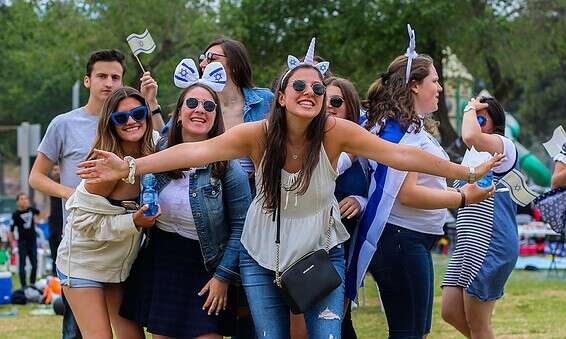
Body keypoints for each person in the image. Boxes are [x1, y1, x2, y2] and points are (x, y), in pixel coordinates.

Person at [77, 38, 500, 338]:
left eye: (317, 88)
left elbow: (402, 156)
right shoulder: (257, 134)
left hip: (320, 252)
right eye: (299, 86)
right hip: (262, 256)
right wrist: (131, 164)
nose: (310, 92)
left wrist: (462, 176)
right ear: (280, 96)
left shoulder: (335, 132)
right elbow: (191, 154)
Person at [347, 52, 495, 339]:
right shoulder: (400, 131)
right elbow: (408, 194)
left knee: (417, 333)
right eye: (435, 81)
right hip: (402, 240)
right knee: (408, 334)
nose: (439, 88)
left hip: (410, 240)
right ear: (415, 85)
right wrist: (463, 197)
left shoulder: (411, 126)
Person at [28, 49, 160, 339]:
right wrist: (74, 194)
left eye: (116, 76)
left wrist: (151, 105)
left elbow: (170, 149)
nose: (109, 82)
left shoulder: (145, 142)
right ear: (87, 81)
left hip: (121, 256)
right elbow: (36, 177)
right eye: (102, 76)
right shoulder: (67, 127)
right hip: (83, 249)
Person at [120, 61, 252, 339]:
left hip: (207, 266)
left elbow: (243, 227)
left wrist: (223, 277)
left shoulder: (229, 166)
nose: (200, 110)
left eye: (209, 106)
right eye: (192, 102)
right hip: (163, 260)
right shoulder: (160, 152)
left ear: (217, 117)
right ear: (179, 113)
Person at [56, 87, 158, 339]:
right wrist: (132, 221)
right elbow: (80, 221)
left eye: (138, 113)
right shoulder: (105, 168)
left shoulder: (154, 148)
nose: (132, 121)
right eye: (121, 118)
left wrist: (153, 101)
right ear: (110, 124)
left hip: (120, 266)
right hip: (83, 262)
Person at [441, 96, 519, 339]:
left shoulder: (503, 147)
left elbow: (471, 136)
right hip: (466, 244)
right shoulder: (471, 157)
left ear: (492, 122)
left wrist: (469, 107)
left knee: (478, 324)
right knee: (450, 310)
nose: (473, 120)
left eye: (479, 117)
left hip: (490, 243)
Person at [9, 193, 40, 287]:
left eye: (26, 198)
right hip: (22, 242)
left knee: (34, 264)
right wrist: (12, 245)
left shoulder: (31, 210)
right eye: (22, 199)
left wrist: (36, 221)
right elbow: (10, 230)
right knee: (22, 265)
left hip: (32, 242)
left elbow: (38, 214)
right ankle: (23, 286)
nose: (24, 200)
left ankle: (32, 283)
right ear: (17, 202)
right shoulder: (15, 214)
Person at [48, 165, 63, 276]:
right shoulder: (50, 185)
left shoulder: (66, 183)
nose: (56, 172)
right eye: (54, 170)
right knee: (53, 243)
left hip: (64, 217)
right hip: (54, 219)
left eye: (58, 170)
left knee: (61, 243)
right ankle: (54, 272)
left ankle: (61, 270)